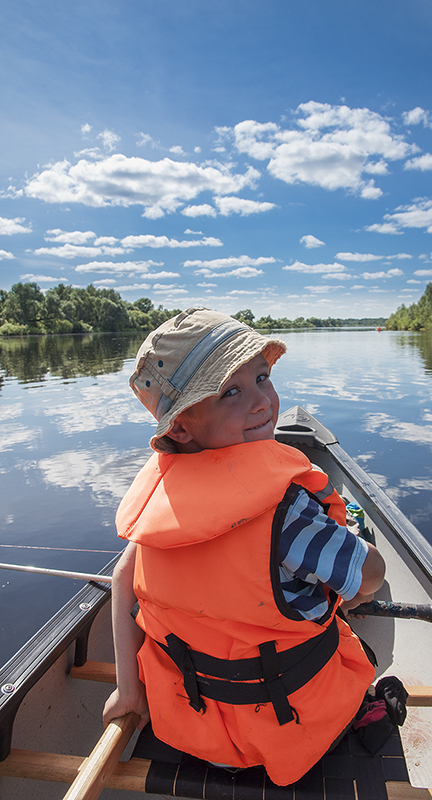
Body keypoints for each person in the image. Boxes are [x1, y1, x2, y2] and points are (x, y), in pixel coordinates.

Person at [103, 307, 385, 786]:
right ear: (180, 428)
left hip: (193, 729)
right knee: (357, 639)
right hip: (290, 732)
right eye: (231, 392)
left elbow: (122, 580)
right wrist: (358, 586)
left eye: (262, 377)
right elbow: (370, 576)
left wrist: (128, 690)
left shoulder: (160, 505)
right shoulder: (289, 511)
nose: (263, 402)